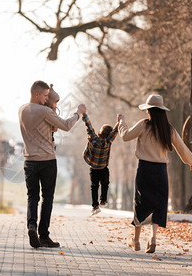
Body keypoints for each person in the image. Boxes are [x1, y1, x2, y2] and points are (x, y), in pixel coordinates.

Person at [117, 94, 192, 254]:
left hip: (144, 169)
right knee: (158, 204)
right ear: (162, 111)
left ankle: (136, 240)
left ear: (149, 111)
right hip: (160, 171)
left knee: (141, 203)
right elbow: (182, 149)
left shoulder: (144, 125)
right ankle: (153, 238)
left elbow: (125, 136)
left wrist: (121, 123)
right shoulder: (168, 129)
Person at [19, 80, 86, 248]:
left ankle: (31, 226)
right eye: (44, 96)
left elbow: (50, 127)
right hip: (47, 161)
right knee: (47, 198)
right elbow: (65, 125)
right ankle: (44, 235)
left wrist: (51, 99)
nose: (46, 99)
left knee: (32, 197)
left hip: (29, 160)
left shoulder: (22, 110)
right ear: (36, 94)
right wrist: (78, 113)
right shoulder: (43, 111)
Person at [81, 112, 119, 216]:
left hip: (93, 169)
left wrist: (84, 114)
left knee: (94, 186)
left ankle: (95, 206)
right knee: (105, 184)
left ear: (99, 132)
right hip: (103, 169)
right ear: (108, 135)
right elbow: (115, 132)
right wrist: (119, 122)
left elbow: (88, 126)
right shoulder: (108, 142)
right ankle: (103, 200)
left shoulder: (93, 139)